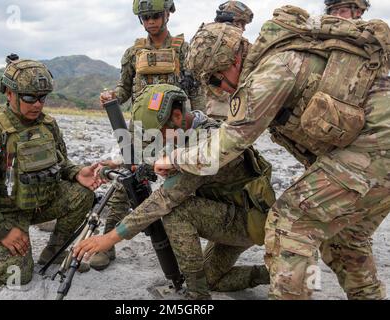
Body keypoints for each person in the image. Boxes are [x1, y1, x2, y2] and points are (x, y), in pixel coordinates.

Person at [154, 8, 390, 300]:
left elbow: (227, 143)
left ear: (233, 59)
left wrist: (174, 158)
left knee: (290, 223)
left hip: (376, 150)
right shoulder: (280, 61)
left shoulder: (274, 69)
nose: (219, 90)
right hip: (377, 151)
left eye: (215, 80)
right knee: (345, 238)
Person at [74, 84, 274, 299]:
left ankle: (197, 297)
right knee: (212, 279)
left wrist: (110, 238)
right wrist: (120, 164)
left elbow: (165, 198)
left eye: (160, 135)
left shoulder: (205, 144)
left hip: (247, 221)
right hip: (232, 212)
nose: (158, 142)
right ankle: (275, 274)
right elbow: (164, 156)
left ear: (177, 116)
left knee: (175, 212)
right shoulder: (189, 129)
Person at [0, 55, 99, 286]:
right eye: (30, 97)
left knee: (83, 194)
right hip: (4, 210)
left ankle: (55, 250)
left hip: (40, 199)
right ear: (9, 93)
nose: (37, 104)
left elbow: (60, 162)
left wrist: (75, 172)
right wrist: (1, 230)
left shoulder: (48, 125)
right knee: (16, 275)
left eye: (42, 98)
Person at [91, 0, 204, 271]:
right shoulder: (133, 53)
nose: (150, 21)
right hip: (142, 130)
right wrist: (111, 97)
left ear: (166, 14)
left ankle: (185, 252)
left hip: (176, 129)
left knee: (182, 186)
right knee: (127, 182)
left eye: (155, 15)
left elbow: (197, 91)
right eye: (145, 17)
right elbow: (124, 89)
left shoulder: (185, 51)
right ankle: (107, 246)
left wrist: (197, 125)